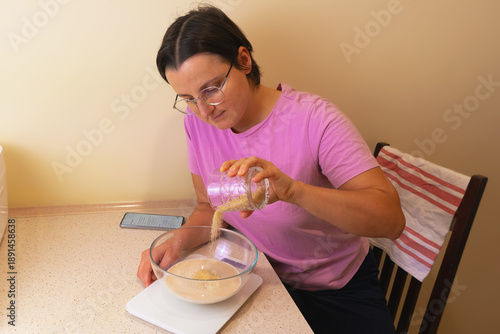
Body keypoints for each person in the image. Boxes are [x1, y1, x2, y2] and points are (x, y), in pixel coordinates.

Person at [137, 5, 405, 334]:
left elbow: (391, 220)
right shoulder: (198, 123)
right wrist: (180, 240)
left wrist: (294, 191)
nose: (204, 110)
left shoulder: (314, 120)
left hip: (335, 291)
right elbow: (209, 205)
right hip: (254, 281)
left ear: (244, 61)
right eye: (189, 98)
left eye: (211, 89)